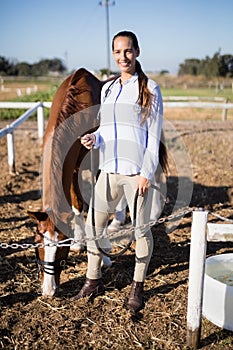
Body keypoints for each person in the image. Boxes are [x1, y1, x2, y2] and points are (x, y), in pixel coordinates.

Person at [72, 30, 163, 313]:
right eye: (117, 52)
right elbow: (107, 128)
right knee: (93, 227)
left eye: (127, 51)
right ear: (113, 54)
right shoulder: (109, 88)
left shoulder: (149, 89)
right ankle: (93, 279)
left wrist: (146, 173)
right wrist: (95, 139)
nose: (122, 56)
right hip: (108, 170)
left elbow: (154, 135)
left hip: (136, 173)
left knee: (140, 231)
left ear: (136, 52)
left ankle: (137, 286)